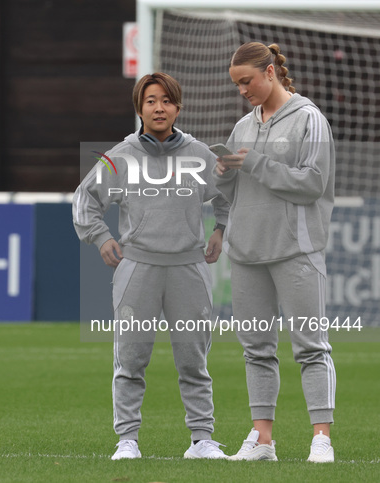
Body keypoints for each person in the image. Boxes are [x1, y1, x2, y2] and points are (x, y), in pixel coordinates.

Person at [73, 72, 230, 460]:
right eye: (150, 101)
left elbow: (230, 191)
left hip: (189, 269)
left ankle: (201, 441)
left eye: (166, 100)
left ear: (178, 107)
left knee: (194, 358)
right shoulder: (120, 156)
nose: (158, 107)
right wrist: (101, 236)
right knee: (131, 358)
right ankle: (127, 440)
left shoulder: (199, 154)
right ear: (139, 107)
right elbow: (84, 201)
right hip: (137, 269)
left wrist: (221, 229)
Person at [214, 42, 336, 463]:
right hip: (246, 253)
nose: (242, 90)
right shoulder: (242, 126)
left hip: (296, 251)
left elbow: (313, 183)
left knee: (310, 347)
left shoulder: (309, 119)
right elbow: (230, 190)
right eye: (237, 84)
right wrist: (219, 174)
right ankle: (262, 441)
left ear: (270, 72)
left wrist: (255, 164)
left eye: (246, 81)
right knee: (256, 349)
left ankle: (321, 437)